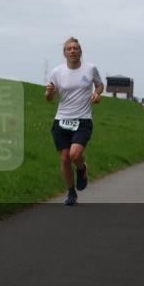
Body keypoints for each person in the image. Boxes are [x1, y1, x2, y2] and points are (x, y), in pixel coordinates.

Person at [45, 37, 104, 206]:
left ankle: (81, 168)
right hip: (62, 119)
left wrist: (97, 94)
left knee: (74, 155)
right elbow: (49, 97)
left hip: (83, 119)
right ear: (64, 53)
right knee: (65, 159)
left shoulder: (90, 69)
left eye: (75, 48)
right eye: (69, 49)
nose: (72, 51)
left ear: (80, 52)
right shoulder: (57, 72)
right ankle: (71, 193)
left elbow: (100, 85)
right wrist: (49, 92)